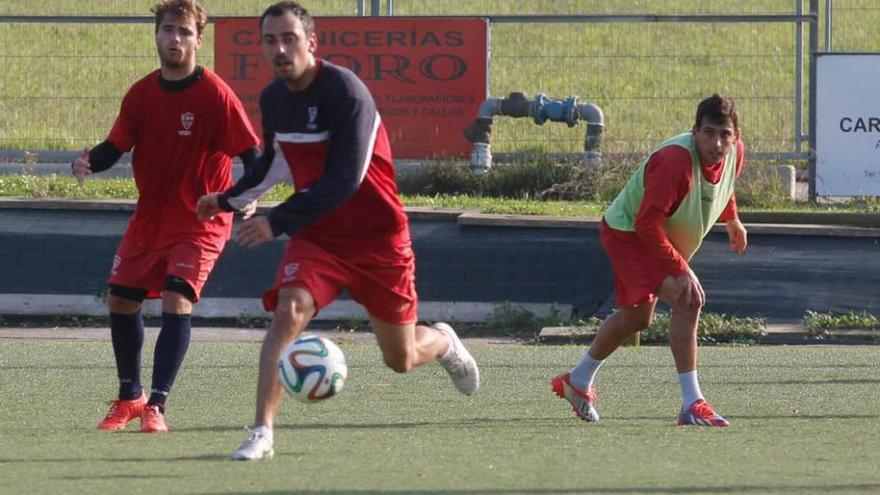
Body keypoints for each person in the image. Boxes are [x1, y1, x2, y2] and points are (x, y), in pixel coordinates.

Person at [196, 1, 480, 461]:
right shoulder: (273, 99)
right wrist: (228, 198)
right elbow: (274, 163)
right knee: (288, 311)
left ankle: (445, 341)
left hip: (377, 238)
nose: (280, 49)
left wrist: (276, 222)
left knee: (401, 358)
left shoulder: (346, 93)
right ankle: (261, 432)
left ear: (311, 43)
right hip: (319, 238)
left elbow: (345, 180)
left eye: (289, 39)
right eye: (271, 41)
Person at [74, 0, 260, 433]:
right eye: (167, 30)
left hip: (201, 218)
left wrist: (247, 194)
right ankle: (130, 397)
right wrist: (85, 162)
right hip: (151, 218)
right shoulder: (141, 93)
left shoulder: (215, 94)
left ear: (198, 39)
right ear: (156, 35)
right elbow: (114, 146)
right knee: (121, 299)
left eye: (183, 32)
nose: (174, 38)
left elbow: (251, 155)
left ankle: (157, 405)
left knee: (177, 297)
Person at [551, 93, 747, 427]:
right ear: (695, 130)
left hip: (652, 235)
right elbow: (646, 224)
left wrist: (732, 219)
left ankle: (578, 381)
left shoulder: (734, 154)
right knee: (689, 301)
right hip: (629, 233)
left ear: (736, 137)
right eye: (710, 132)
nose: (717, 143)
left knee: (637, 318)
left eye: (725, 134)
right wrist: (681, 269)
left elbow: (723, 187)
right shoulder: (675, 162)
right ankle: (691, 403)